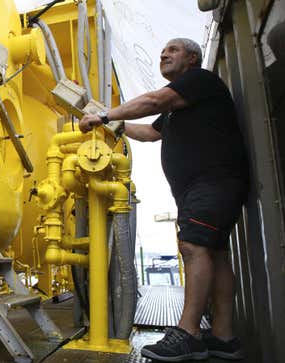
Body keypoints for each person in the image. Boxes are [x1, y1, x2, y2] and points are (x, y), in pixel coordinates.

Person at [79, 38, 249, 362]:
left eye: (173, 50)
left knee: (193, 248)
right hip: (207, 187)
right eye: (163, 51)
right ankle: (224, 337)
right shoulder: (179, 105)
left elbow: (155, 100)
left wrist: (102, 115)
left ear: (192, 58)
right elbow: (151, 132)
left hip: (211, 183)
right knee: (216, 254)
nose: (163, 54)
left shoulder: (198, 81)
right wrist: (117, 125)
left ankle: (188, 333)